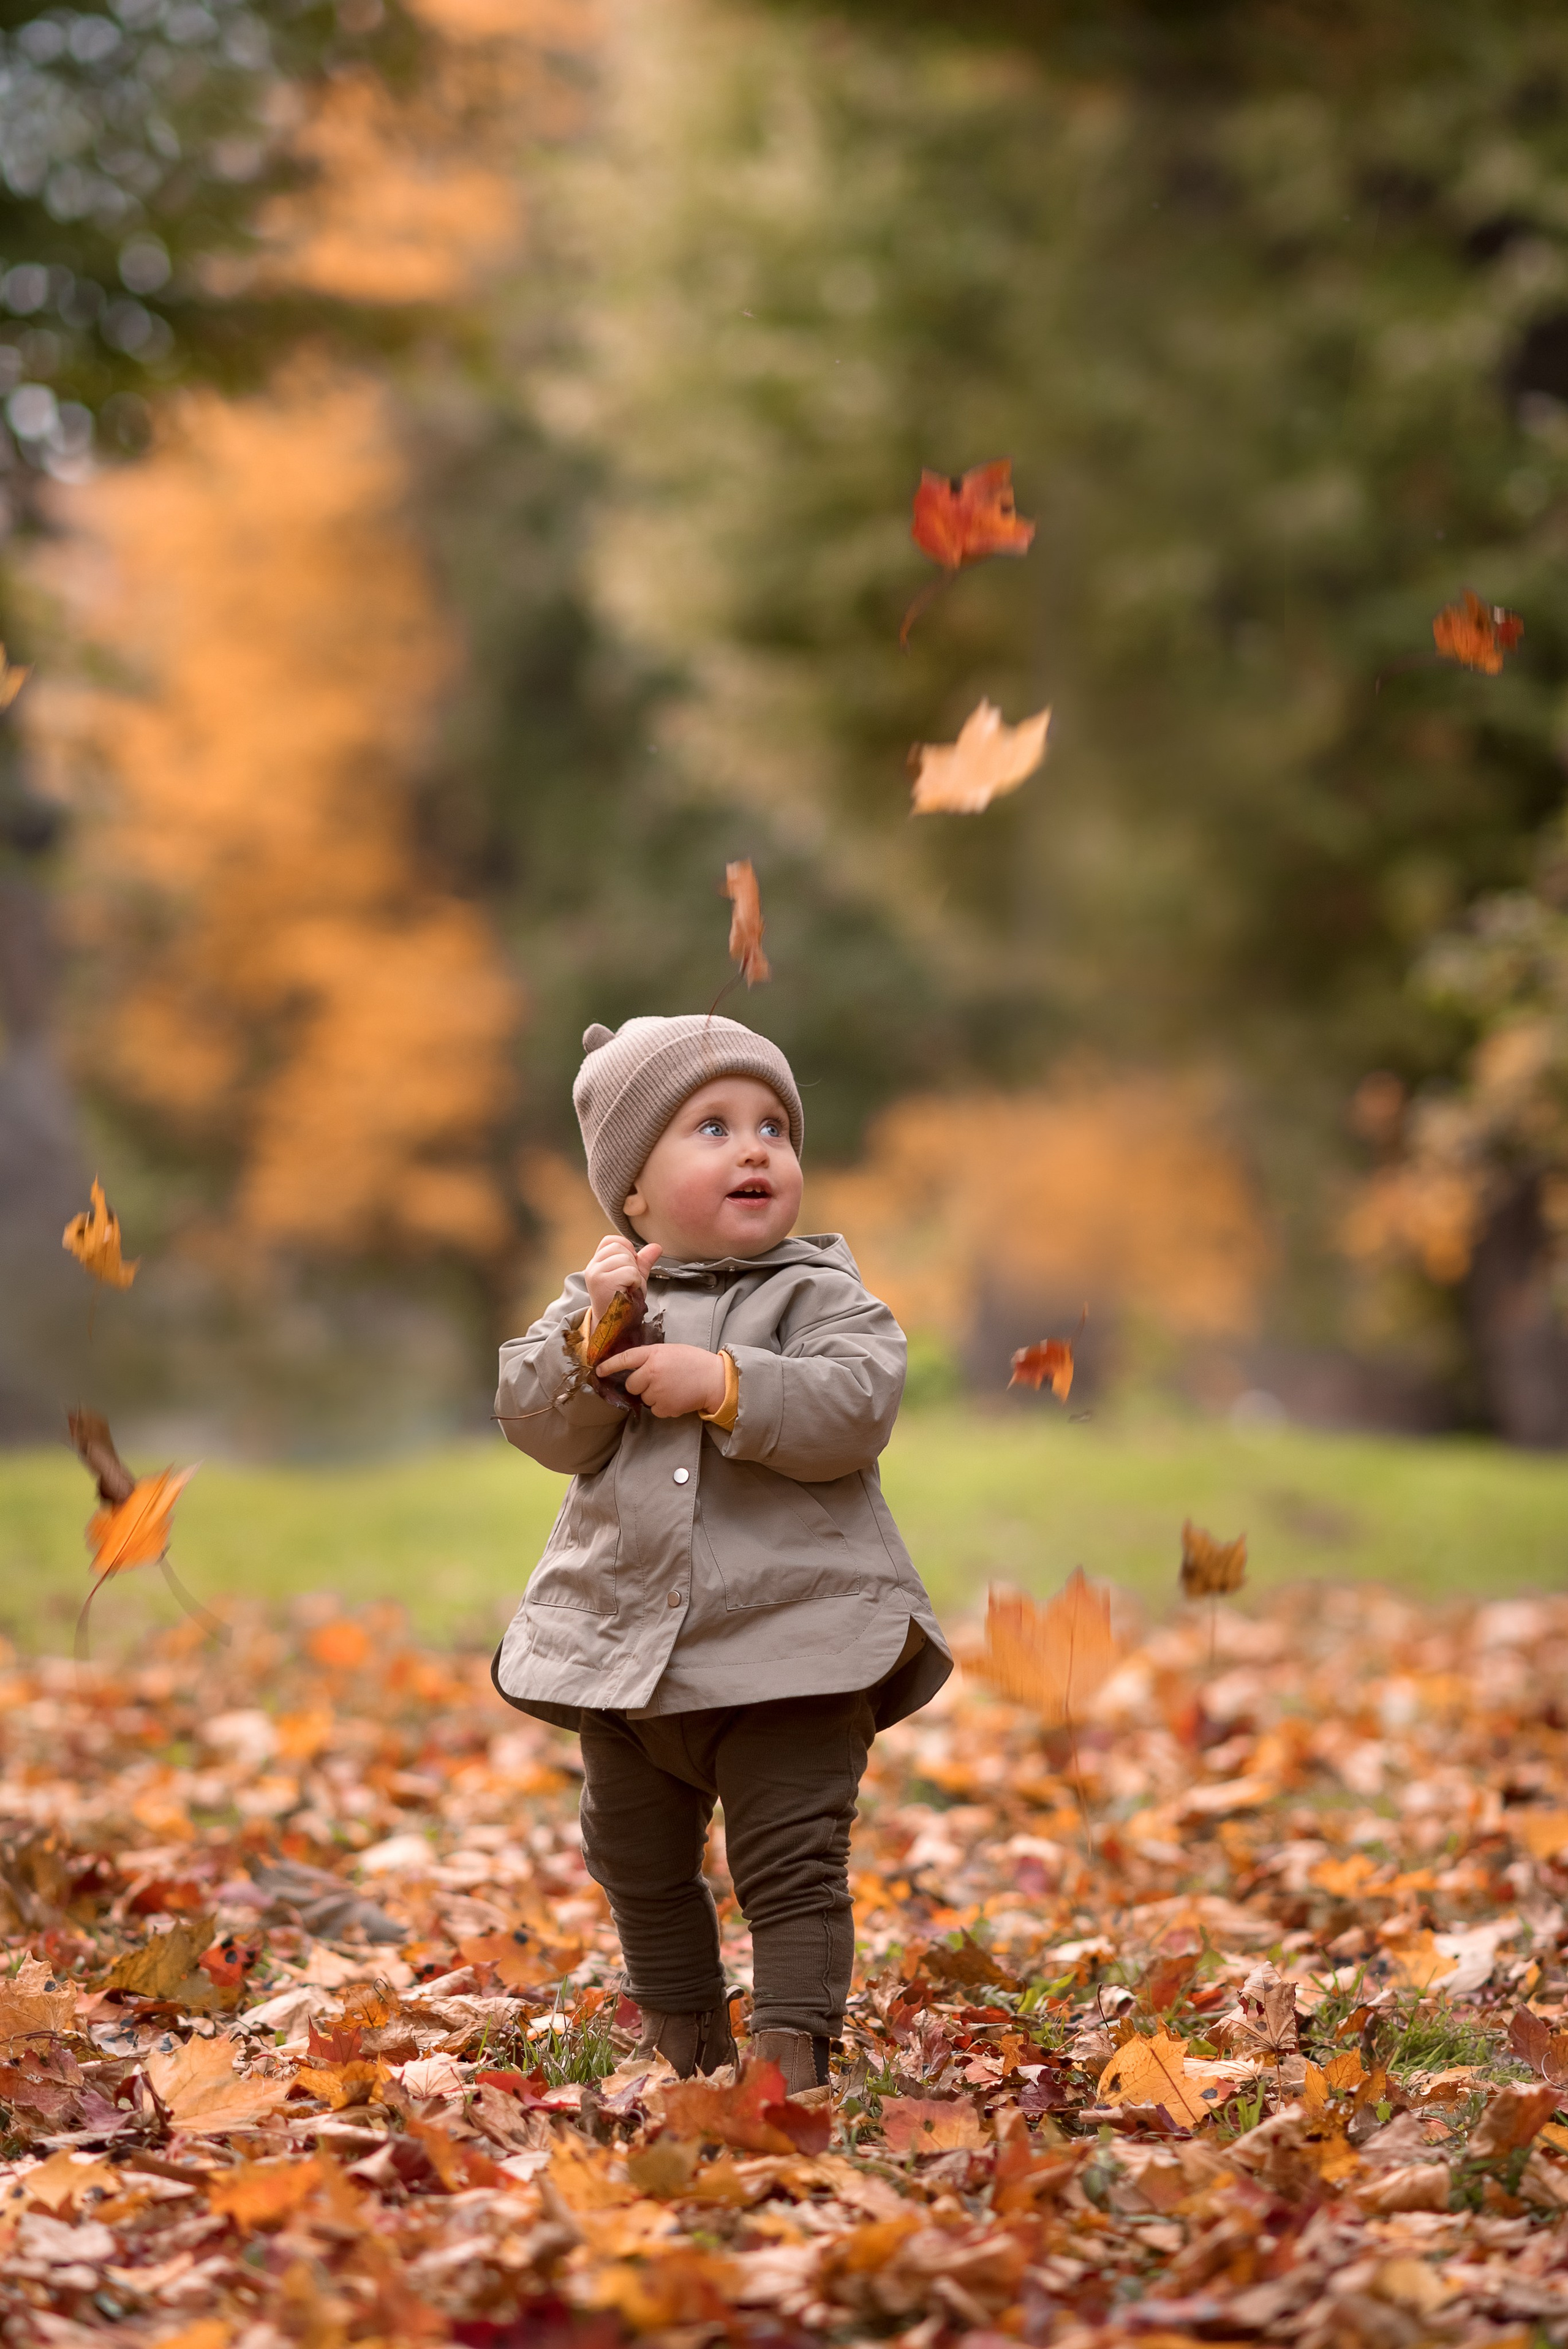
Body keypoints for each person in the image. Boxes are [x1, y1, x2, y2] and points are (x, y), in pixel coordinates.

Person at [492, 1014, 951, 2095]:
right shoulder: (602, 1300)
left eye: (774, 1127)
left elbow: (859, 1403)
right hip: (627, 1656)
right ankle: (683, 2043)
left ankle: (790, 2053)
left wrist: (728, 1382)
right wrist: (590, 1336)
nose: (756, 1149)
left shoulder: (822, 1293)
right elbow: (541, 1425)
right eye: (713, 1127)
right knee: (633, 1857)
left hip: (796, 1649)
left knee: (789, 1859)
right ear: (633, 1193)